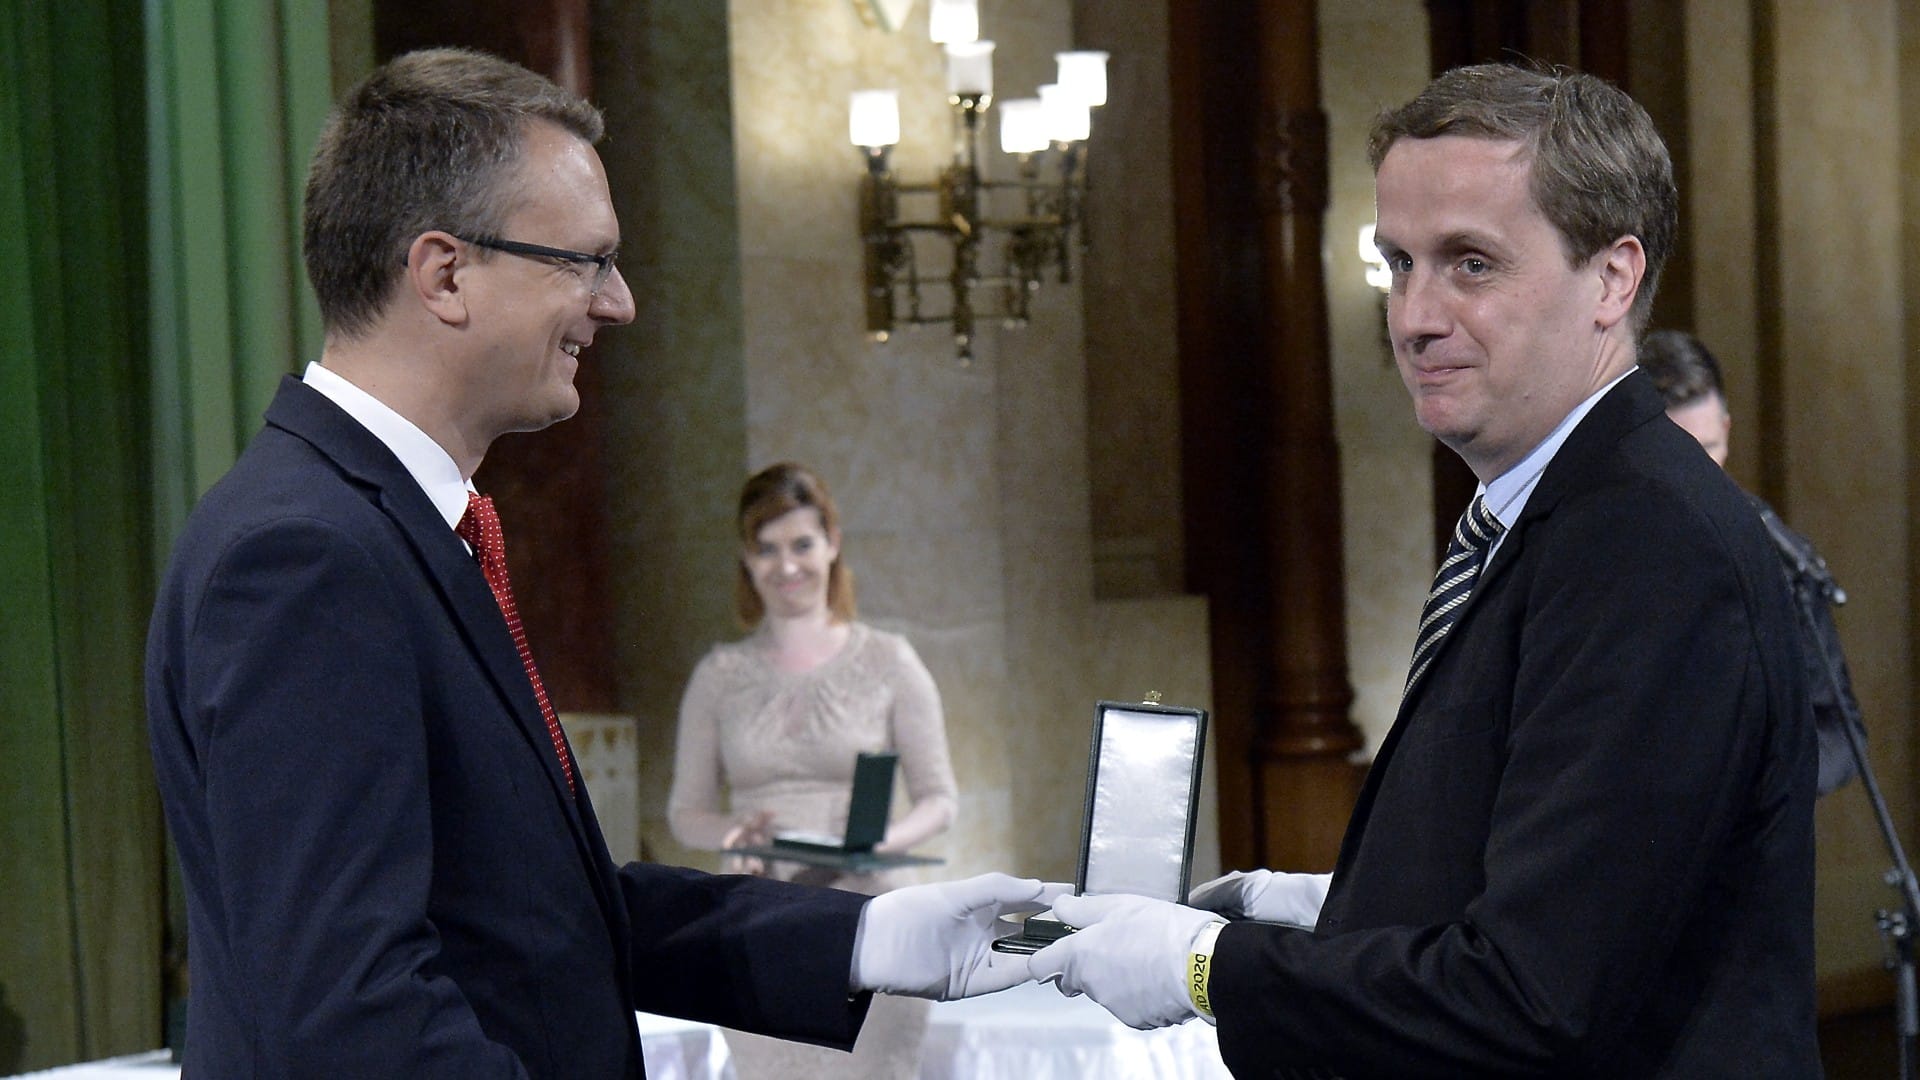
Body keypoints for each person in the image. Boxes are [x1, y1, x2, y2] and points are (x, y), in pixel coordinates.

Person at [144, 47, 1053, 1079]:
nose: (618, 303)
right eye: (585, 261)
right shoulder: (305, 556)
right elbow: (353, 1017)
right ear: (445, 274)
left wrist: (882, 937)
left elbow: (548, 915)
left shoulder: (384, 529)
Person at [1028, 63, 1818, 1076]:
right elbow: (1571, 887)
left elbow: (1533, 1001)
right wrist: (1325, 907)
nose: (1413, 317)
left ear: (1613, 279)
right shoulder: (1556, 512)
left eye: (1470, 264)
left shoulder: (1650, 546)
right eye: (1399, 263)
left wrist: (1204, 967)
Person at [667, 460, 959, 1077]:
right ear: (747, 560)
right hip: (757, 925)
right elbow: (684, 813)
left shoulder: (890, 661)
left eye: (801, 544)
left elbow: (940, 799)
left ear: (832, 544)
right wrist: (731, 832)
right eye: (767, 548)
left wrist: (881, 840)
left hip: (866, 924)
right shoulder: (718, 676)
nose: (787, 565)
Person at [1640, 328, 1865, 797]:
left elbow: (1839, 730)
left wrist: (1764, 787)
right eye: (1680, 454)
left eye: (1708, 449)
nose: (1700, 474)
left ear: (1726, 430)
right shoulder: (1590, 556)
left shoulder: (1779, 557)